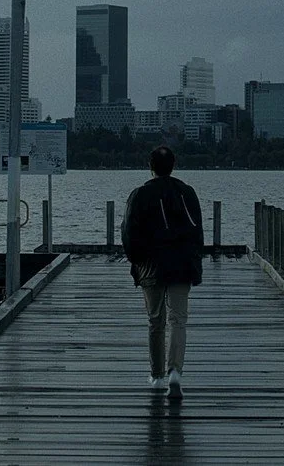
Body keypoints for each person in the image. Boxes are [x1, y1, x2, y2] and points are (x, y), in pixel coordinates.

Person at [122, 145, 204, 402]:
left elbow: (128, 233)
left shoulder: (139, 194)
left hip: (151, 265)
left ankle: (156, 376)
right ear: (173, 166)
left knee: (155, 320)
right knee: (178, 320)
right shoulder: (187, 193)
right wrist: (195, 262)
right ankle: (175, 372)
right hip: (182, 265)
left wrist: (136, 261)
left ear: (151, 167)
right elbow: (197, 232)